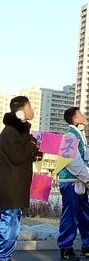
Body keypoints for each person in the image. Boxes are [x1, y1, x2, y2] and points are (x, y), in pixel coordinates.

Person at [0, 96, 41, 261]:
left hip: (15, 186)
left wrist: (34, 148)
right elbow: (17, 156)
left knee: (11, 223)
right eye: (30, 106)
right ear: (21, 111)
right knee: (9, 223)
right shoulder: (10, 131)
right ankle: (3, 256)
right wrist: (32, 145)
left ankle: (5, 255)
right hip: (10, 187)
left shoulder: (19, 131)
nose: (33, 110)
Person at [57, 106, 89, 261]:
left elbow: (85, 155)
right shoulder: (69, 135)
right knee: (70, 215)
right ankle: (66, 248)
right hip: (71, 181)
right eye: (81, 114)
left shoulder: (79, 135)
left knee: (85, 214)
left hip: (79, 181)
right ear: (75, 119)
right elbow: (72, 162)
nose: (84, 116)